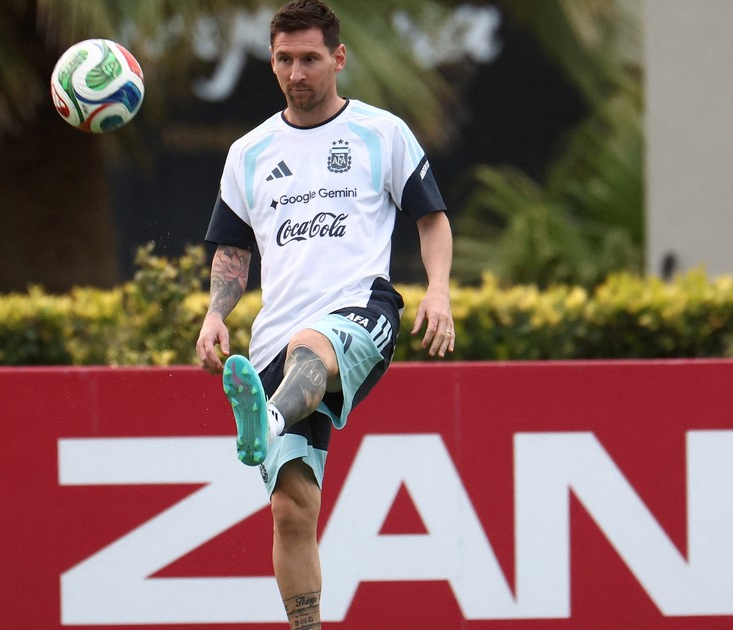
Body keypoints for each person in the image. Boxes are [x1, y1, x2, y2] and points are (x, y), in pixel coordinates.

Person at [195, 0, 455, 627]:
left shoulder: (381, 132)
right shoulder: (248, 152)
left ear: (338, 58)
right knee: (293, 511)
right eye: (284, 60)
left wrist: (439, 290)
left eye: (310, 59)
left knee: (313, 345)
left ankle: (269, 416)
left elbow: (432, 217)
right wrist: (214, 314)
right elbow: (233, 250)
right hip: (273, 342)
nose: (297, 73)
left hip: (360, 311)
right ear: (271, 61)